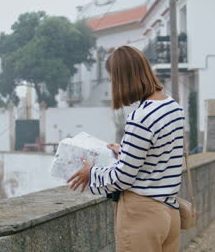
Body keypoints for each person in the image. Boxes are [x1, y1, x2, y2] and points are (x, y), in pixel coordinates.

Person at [67, 45, 184, 252]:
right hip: (169, 211)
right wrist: (125, 151)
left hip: (142, 215)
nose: (113, 85)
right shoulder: (172, 107)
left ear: (123, 79)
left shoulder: (141, 117)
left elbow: (123, 178)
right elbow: (161, 153)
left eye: (113, 80)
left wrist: (91, 173)